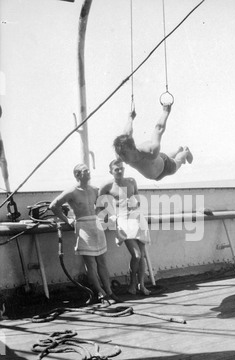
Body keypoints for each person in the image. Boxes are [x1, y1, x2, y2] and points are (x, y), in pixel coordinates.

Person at [49, 163, 121, 307]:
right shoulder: (71, 192)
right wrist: (67, 219)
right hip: (83, 227)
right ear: (77, 175)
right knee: (90, 264)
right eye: (84, 171)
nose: (88, 172)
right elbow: (53, 206)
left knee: (102, 262)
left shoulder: (95, 190)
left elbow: (103, 205)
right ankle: (101, 292)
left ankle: (109, 291)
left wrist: (106, 216)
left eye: (88, 170)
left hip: (96, 225)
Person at [97, 159, 151, 296]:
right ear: (111, 171)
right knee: (137, 255)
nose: (120, 171)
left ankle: (141, 285)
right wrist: (108, 217)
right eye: (116, 169)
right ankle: (132, 284)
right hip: (123, 221)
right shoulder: (107, 186)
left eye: (121, 168)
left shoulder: (132, 181)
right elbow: (98, 205)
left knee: (142, 255)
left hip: (137, 218)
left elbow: (138, 198)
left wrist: (135, 203)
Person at [113, 104, 193, 181]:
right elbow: (126, 133)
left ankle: (185, 151)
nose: (122, 158)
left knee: (177, 162)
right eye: (120, 154)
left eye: (124, 154)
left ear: (133, 148)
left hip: (165, 167)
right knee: (161, 157)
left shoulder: (150, 150)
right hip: (156, 161)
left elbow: (158, 129)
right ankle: (177, 151)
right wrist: (130, 118)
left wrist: (165, 112)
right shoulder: (121, 154)